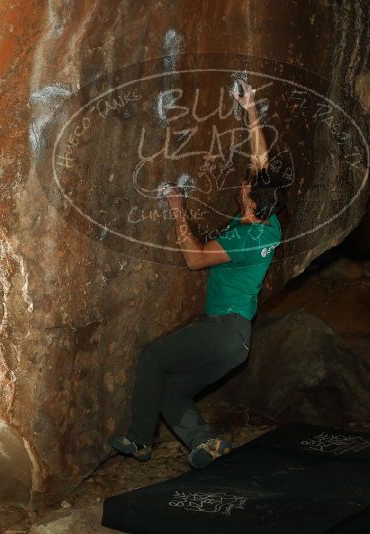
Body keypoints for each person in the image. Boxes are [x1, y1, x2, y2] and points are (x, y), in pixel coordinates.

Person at [108, 80, 286, 468]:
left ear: (249, 199)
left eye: (245, 186)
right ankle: (203, 442)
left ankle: (141, 441)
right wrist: (249, 107)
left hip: (221, 330)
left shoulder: (243, 237)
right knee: (171, 390)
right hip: (237, 343)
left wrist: (177, 208)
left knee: (153, 357)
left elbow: (195, 259)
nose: (242, 182)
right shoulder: (269, 223)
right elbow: (262, 163)